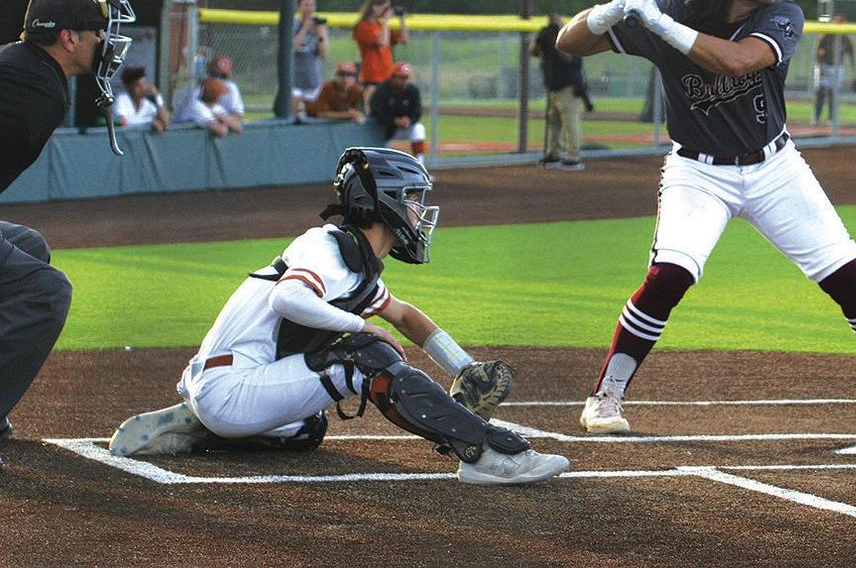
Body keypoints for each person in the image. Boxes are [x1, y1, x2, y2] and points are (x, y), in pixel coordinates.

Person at [556, 0, 856, 437]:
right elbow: (570, 43)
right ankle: (605, 395)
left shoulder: (778, 16)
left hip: (775, 167)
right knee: (669, 277)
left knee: (846, 277)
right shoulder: (673, 10)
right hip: (697, 172)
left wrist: (656, 25)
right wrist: (610, 10)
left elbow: (735, 61)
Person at [107, 147, 569, 485]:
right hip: (231, 388)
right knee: (363, 355)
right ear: (384, 200)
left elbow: (404, 316)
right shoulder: (325, 247)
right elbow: (286, 299)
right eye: (410, 197)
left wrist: (463, 366)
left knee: (310, 427)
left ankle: (204, 429)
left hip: (232, 387)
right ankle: (484, 453)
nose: (418, 209)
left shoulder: (353, 263)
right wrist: (361, 326)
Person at [0, 0, 135, 469]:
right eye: (98, 32)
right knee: (46, 291)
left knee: (28, 246)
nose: (106, 42)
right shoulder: (30, 84)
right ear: (68, 37)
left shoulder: (27, 71)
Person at [532, 13, 587, 170]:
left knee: (570, 122)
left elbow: (569, 58)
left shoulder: (570, 37)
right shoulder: (547, 37)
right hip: (553, 87)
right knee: (553, 122)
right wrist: (540, 39)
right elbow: (534, 52)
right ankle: (553, 153)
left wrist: (556, 40)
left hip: (569, 87)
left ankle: (573, 157)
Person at [352, 0, 409, 109]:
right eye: (385, 8)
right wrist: (386, 21)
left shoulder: (381, 26)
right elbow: (382, 42)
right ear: (374, 7)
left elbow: (404, 40)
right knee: (372, 107)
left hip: (388, 73)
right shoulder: (363, 26)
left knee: (388, 108)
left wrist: (402, 20)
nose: (386, 12)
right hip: (372, 74)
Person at [369, 61, 426, 163]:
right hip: (383, 130)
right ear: (392, 76)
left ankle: (420, 165)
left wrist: (409, 120)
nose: (402, 81)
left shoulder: (412, 90)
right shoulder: (382, 90)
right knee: (384, 156)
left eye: (405, 78)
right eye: (399, 77)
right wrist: (394, 121)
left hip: (403, 127)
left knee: (418, 128)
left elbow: (417, 111)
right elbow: (376, 113)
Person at [812, 13, 856, 125]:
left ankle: (831, 118)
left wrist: (854, 73)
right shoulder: (826, 35)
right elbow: (817, 52)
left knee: (833, 93)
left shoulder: (845, 38)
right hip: (824, 66)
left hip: (837, 68)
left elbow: (851, 54)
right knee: (820, 92)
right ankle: (816, 118)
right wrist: (820, 66)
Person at [292, 0, 330, 118]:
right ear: (299, 7)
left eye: (312, 5)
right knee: (291, 115)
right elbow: (293, 48)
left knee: (313, 115)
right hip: (294, 79)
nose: (310, 9)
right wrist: (305, 28)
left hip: (312, 79)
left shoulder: (319, 26)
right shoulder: (293, 24)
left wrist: (321, 34)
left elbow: (324, 55)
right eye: (306, 5)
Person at [173, 76, 243, 137]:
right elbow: (222, 132)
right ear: (216, 97)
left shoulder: (213, 106)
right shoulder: (196, 106)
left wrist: (221, 118)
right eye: (220, 94)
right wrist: (223, 121)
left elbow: (238, 127)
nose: (221, 97)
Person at [113, 65, 170, 133]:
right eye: (138, 85)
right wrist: (149, 123)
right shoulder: (121, 99)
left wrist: (157, 97)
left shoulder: (147, 103)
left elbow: (165, 121)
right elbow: (123, 121)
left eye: (144, 84)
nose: (143, 88)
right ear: (129, 87)